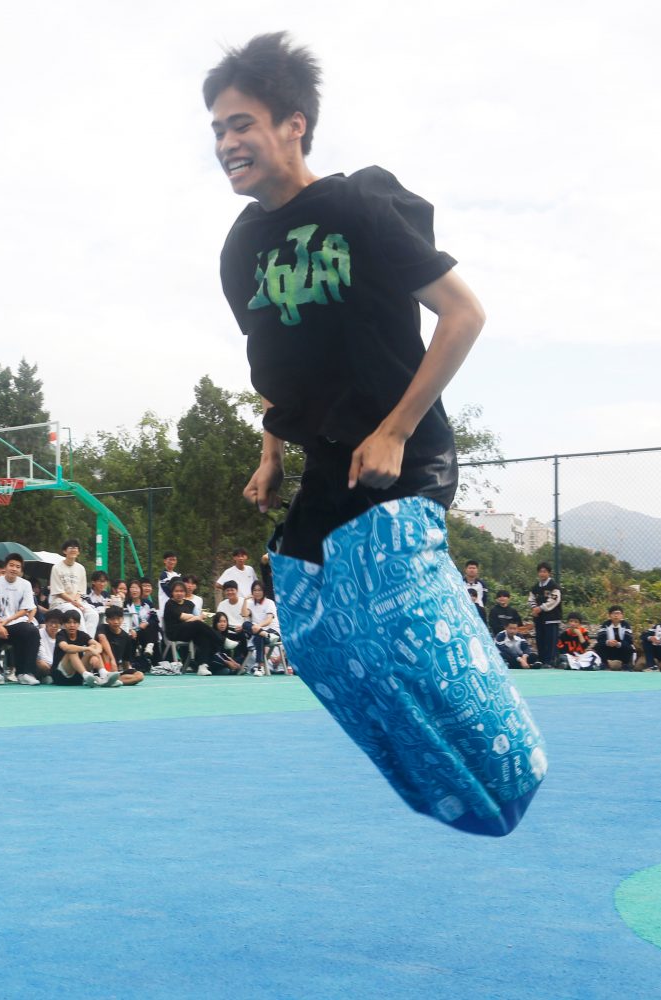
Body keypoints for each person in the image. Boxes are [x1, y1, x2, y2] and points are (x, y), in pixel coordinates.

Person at [211, 32, 543, 834]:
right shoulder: (241, 248)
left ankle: (514, 752)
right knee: (311, 624)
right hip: (328, 459)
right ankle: (438, 778)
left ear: (293, 124)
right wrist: (270, 454)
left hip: (402, 450)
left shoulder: (361, 203)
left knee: (387, 604)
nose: (226, 144)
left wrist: (395, 428)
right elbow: (282, 366)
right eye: (217, 131)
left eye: (241, 124)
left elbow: (464, 315)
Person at [0, 554, 40, 680]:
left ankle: (26, 673)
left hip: (16, 622)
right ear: (6, 567)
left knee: (33, 632)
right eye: (11, 565)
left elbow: (25, 609)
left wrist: (8, 620)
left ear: (20, 570)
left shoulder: (25, 584)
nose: (14, 569)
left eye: (18, 567)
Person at [161, 578, 223, 667]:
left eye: (181, 591)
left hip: (188, 631)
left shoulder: (190, 604)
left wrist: (193, 618)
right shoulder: (169, 604)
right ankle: (222, 640)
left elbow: (199, 619)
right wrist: (194, 618)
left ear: (185, 592)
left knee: (203, 635)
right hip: (174, 632)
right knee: (197, 624)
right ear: (172, 593)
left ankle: (203, 665)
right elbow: (182, 616)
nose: (179, 593)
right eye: (176, 591)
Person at [55, 610, 122, 687]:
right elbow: (66, 647)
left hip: (78, 676)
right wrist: (87, 649)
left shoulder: (82, 634)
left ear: (79, 624)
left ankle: (104, 675)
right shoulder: (60, 634)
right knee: (72, 651)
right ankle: (86, 675)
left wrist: (94, 655)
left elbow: (98, 645)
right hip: (61, 676)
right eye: (69, 622)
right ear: (63, 624)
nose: (72, 625)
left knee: (93, 647)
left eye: (75, 622)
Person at [49, 539, 95, 633]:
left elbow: (80, 591)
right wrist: (72, 602)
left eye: (76, 547)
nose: (73, 549)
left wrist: (76, 601)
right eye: (70, 547)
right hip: (60, 603)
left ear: (78, 552)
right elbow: (59, 592)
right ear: (64, 551)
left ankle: (89, 641)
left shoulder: (81, 568)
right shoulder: (56, 568)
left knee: (92, 614)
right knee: (76, 613)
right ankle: (84, 643)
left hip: (77, 601)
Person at [94, 606, 145, 685]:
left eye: (118, 619)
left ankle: (110, 680)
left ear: (123, 619)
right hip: (103, 666)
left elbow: (126, 661)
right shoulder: (102, 627)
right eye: (113, 619)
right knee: (102, 649)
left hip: (115, 670)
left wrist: (128, 671)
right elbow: (102, 639)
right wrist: (112, 659)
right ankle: (105, 676)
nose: (116, 622)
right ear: (107, 620)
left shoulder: (126, 637)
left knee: (140, 676)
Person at [242, 580, 280, 674]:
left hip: (273, 632)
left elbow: (269, 620)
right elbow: (244, 614)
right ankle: (260, 667)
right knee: (245, 625)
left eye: (259, 590)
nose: (257, 592)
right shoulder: (250, 603)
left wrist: (258, 626)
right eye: (255, 590)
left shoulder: (269, 602)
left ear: (263, 591)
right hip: (263, 633)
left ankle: (260, 666)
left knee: (258, 637)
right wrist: (245, 600)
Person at [529, 563, 563, 669]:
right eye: (540, 571)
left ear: (549, 573)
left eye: (544, 571)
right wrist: (534, 608)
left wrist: (541, 608)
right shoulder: (535, 587)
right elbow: (531, 599)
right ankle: (542, 660)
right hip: (539, 618)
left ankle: (550, 661)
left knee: (550, 640)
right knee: (540, 639)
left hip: (551, 618)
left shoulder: (554, 587)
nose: (542, 574)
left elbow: (554, 600)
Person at [594, 606, 635, 671]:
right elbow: (600, 638)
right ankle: (604, 664)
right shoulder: (605, 624)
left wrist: (618, 644)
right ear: (610, 615)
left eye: (618, 613)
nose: (616, 615)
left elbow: (628, 639)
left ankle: (626, 665)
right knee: (598, 646)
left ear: (622, 615)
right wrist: (608, 642)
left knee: (629, 647)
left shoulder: (626, 625)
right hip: (609, 649)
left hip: (621, 649)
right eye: (613, 613)